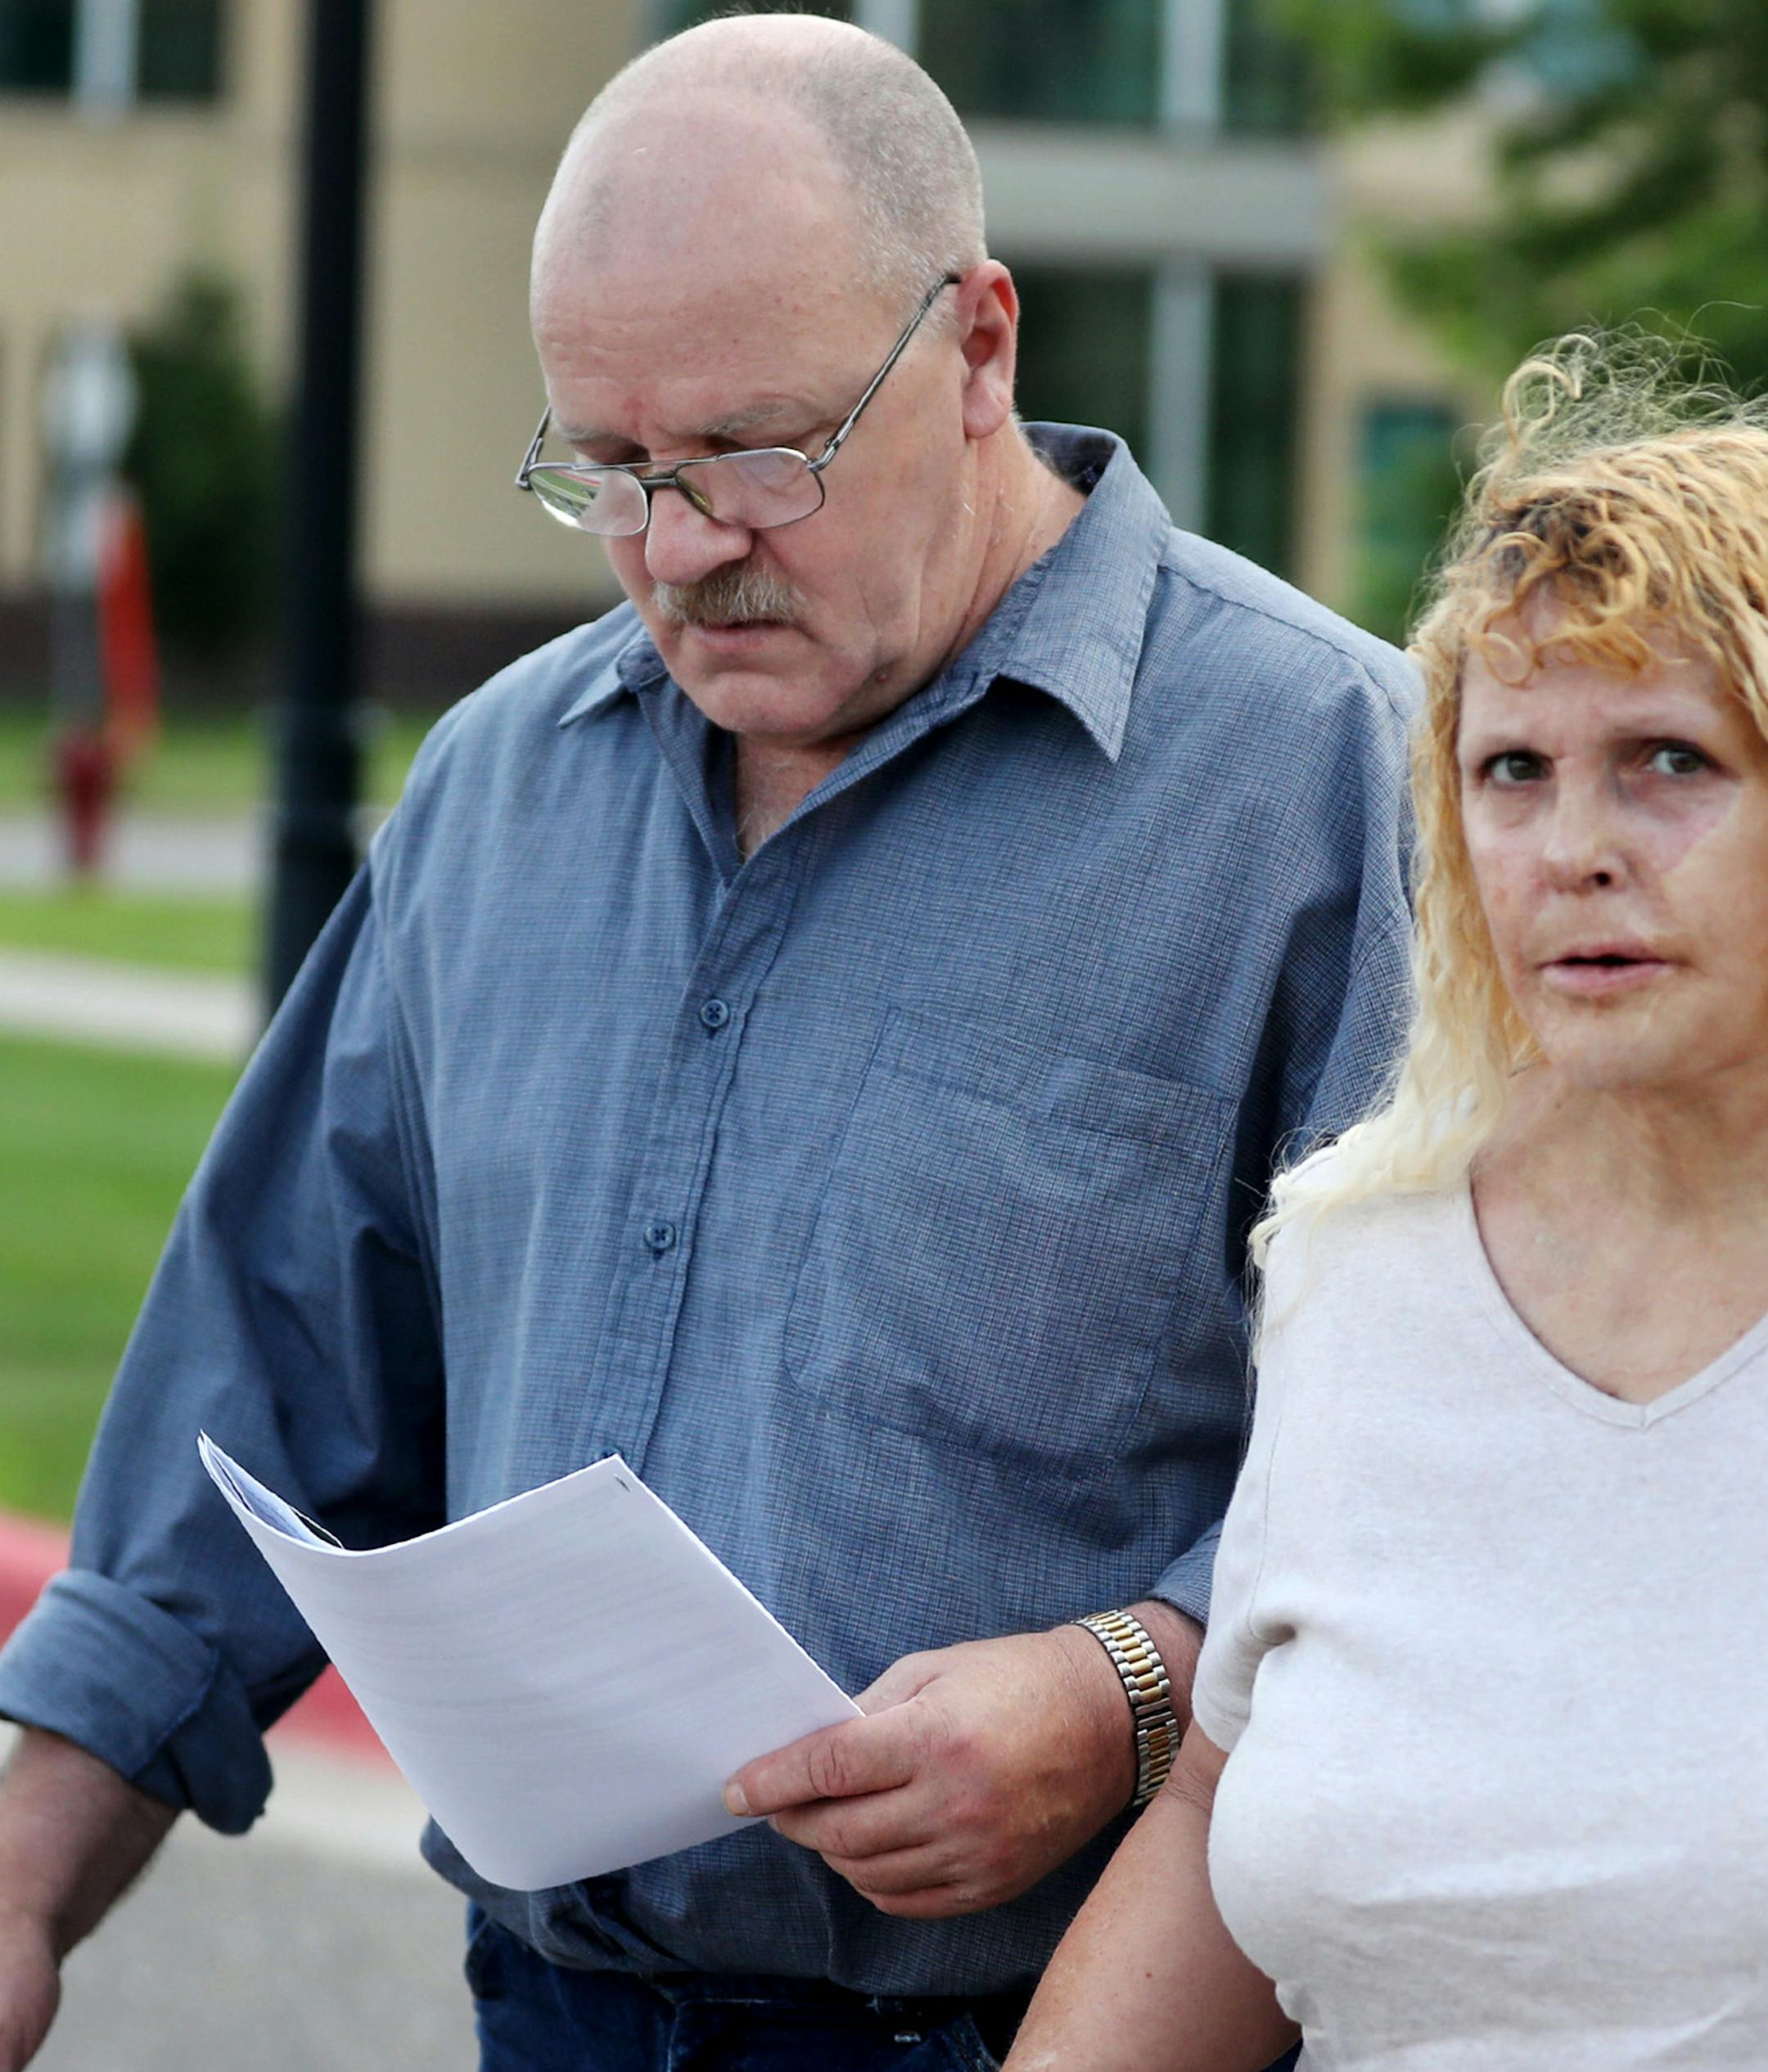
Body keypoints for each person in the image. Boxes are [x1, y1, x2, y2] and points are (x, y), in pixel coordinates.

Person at [0, 16, 1413, 2072]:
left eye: (757, 454)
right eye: (612, 471)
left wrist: (1129, 1693)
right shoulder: (494, 791)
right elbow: (274, 1372)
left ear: (983, 349)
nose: (676, 551)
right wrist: (28, 1881)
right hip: (556, 2018)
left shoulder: (1324, 785)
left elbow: (1465, 1485)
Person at [1003, 331, 1768, 2072]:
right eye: (1513, 770)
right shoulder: (1358, 1252)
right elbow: (1225, 1794)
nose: (1573, 846)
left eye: (1670, 758)